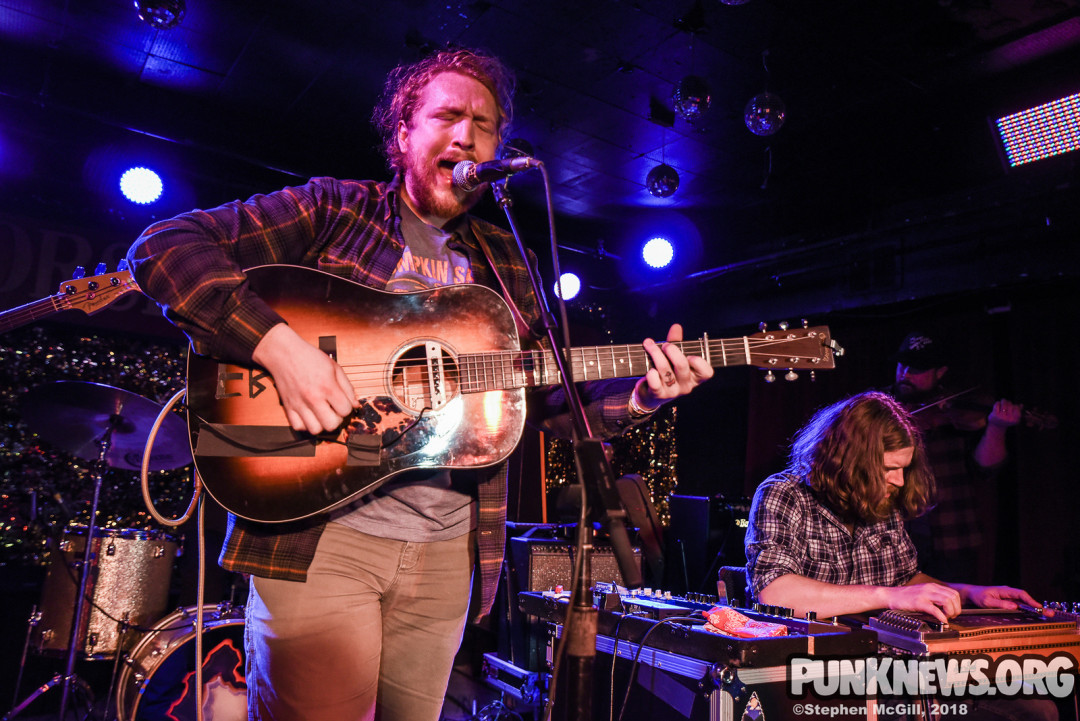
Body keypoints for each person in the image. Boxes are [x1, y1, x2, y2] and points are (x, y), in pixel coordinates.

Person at [126, 47, 713, 720]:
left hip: (447, 554)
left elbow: (553, 400)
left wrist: (644, 394)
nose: (468, 134)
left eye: (486, 123)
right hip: (322, 536)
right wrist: (279, 346)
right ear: (404, 134)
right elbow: (163, 247)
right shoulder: (335, 210)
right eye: (448, 115)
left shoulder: (507, 265)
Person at [744, 391, 1056, 720]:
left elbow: (906, 581)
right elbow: (774, 592)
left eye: (904, 468)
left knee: (1035, 709)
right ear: (850, 461)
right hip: (815, 674)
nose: (900, 480)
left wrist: (969, 593)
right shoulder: (784, 494)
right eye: (889, 468)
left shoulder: (879, 499)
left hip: (891, 668)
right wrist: (890, 596)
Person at [889, 331, 1022, 583]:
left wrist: (997, 427)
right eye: (902, 364)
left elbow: (984, 468)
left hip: (952, 533)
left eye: (917, 368)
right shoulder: (879, 406)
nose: (905, 373)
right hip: (892, 532)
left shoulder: (956, 408)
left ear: (940, 372)